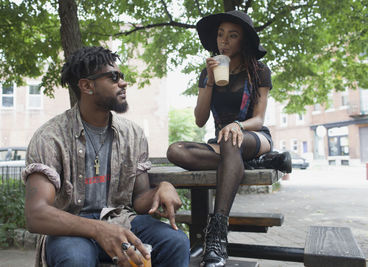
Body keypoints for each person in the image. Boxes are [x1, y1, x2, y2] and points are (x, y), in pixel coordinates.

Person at [23, 46, 190, 267]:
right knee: (75, 260)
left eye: (121, 76)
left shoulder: (133, 134)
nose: (123, 83)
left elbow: (140, 200)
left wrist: (163, 188)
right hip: (70, 230)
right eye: (113, 77)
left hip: (121, 221)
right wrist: (99, 229)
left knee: (176, 242)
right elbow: (36, 215)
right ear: (86, 86)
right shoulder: (50, 137)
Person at [166, 10, 291, 267]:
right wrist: (210, 81)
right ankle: (257, 163)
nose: (224, 40)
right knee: (175, 151)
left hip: (254, 137)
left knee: (230, 140)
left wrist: (237, 125)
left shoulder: (259, 71)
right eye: (221, 34)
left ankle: (217, 235)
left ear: (243, 41)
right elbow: (200, 120)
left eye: (232, 35)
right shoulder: (208, 72)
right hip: (223, 144)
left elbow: (258, 118)